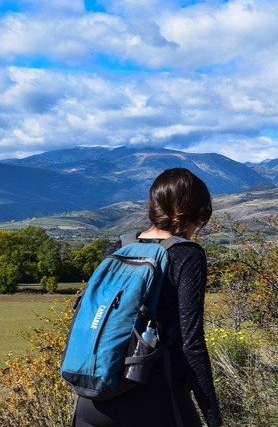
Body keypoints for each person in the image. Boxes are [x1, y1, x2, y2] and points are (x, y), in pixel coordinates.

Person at [74, 168, 223, 427]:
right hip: (154, 395)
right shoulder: (187, 256)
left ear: (153, 207)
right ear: (197, 211)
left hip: (92, 396)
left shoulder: (119, 248)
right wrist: (212, 415)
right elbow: (192, 343)